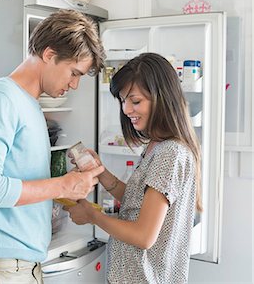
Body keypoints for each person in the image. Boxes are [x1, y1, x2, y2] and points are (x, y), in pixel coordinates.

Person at [0, 9, 105, 284]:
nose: (74, 84)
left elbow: (18, 185)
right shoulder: (1, 99)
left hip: (16, 265)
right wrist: (62, 185)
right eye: (74, 72)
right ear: (49, 55)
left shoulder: (30, 104)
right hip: (0, 268)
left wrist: (67, 188)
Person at [65, 52, 202, 283]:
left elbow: (144, 236)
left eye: (135, 101)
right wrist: (101, 171)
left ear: (162, 98)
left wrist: (92, 215)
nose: (127, 110)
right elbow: (138, 202)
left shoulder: (170, 153)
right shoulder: (156, 146)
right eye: (123, 101)